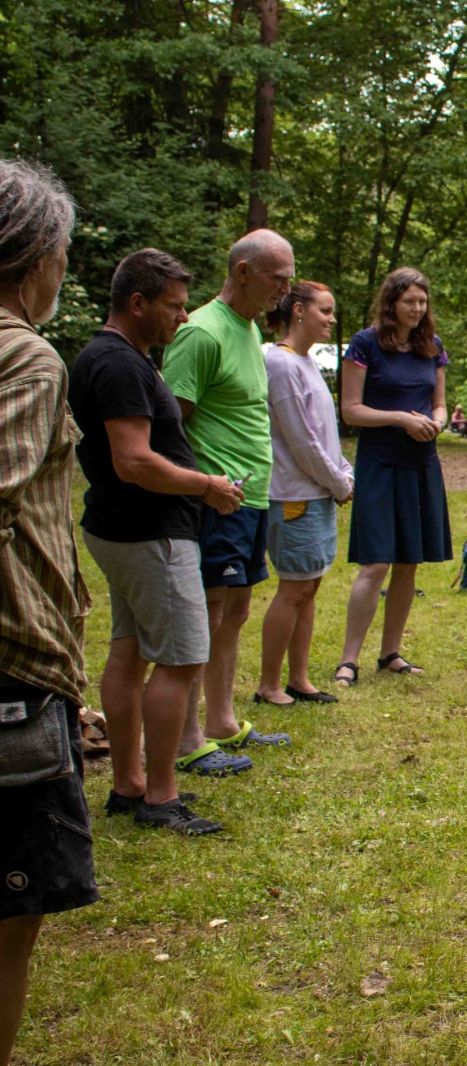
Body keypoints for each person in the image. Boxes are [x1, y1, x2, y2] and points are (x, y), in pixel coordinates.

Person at [70, 248, 246, 833]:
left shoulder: (112, 357)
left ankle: (130, 784)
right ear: (136, 302)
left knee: (129, 649)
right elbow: (135, 461)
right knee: (182, 657)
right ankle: (161, 798)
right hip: (150, 533)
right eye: (173, 306)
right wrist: (208, 486)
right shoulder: (119, 365)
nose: (183, 316)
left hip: (118, 529)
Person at [0, 157, 97, 1066]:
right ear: (35, 256)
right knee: (11, 915)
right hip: (10, 674)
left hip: (38, 675)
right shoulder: (25, 355)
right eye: (62, 251)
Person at [161, 229, 295, 770]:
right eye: (277, 278)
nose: (284, 290)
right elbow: (171, 423)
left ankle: (222, 720)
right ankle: (189, 738)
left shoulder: (248, 329)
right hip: (216, 498)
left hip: (252, 495)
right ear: (242, 272)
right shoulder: (201, 332)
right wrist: (203, 485)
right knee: (209, 611)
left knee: (235, 608)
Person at [335, 267, 451, 685]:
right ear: (392, 303)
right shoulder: (365, 345)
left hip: (421, 463)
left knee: (408, 561)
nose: (417, 309)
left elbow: (439, 403)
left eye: (422, 302)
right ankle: (349, 659)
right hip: (380, 462)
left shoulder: (432, 347)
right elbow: (350, 410)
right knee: (375, 562)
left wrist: (436, 421)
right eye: (409, 302)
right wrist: (401, 418)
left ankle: (391, 653)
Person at [254, 282, 352, 707]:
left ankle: (299, 678)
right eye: (324, 311)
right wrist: (338, 481)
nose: (331, 319)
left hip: (319, 492)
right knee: (293, 588)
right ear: (298, 311)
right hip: (295, 493)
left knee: (308, 586)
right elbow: (301, 440)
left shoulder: (307, 363)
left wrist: (342, 472)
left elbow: (325, 435)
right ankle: (268, 684)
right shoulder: (279, 363)